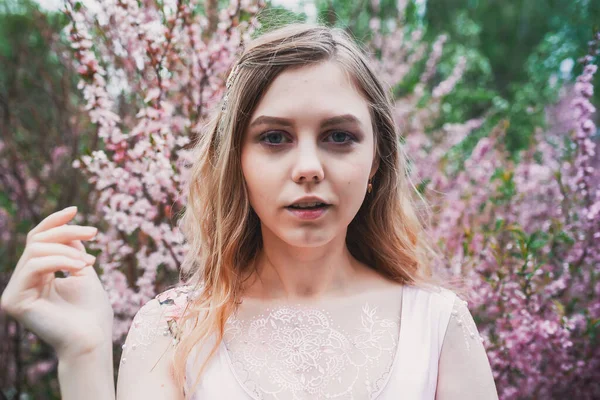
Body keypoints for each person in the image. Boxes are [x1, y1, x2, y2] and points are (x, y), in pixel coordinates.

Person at [1, 22, 498, 400]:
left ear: (376, 160)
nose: (308, 167)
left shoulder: (437, 326)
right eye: (274, 138)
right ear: (236, 161)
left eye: (339, 136)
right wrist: (82, 353)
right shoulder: (173, 328)